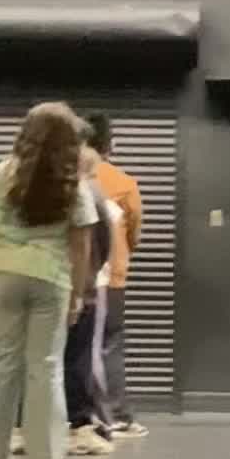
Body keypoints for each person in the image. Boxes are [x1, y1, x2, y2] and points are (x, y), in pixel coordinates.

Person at [0, 103, 97, 459]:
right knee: (46, 367)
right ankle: (44, 454)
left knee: (0, 365)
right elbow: (81, 245)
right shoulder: (74, 184)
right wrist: (77, 295)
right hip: (51, 280)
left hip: (5, 277)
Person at [86, 113, 146, 439]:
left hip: (76, 275)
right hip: (111, 277)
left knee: (76, 347)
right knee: (109, 345)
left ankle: (84, 416)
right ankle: (117, 417)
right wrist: (122, 254)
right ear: (110, 144)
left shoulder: (71, 180)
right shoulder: (123, 183)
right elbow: (134, 231)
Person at [60, 146, 118, 456]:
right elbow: (104, 241)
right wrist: (88, 280)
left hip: (51, 281)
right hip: (81, 288)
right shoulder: (89, 193)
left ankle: (24, 428)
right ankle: (80, 427)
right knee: (79, 359)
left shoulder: (49, 192)